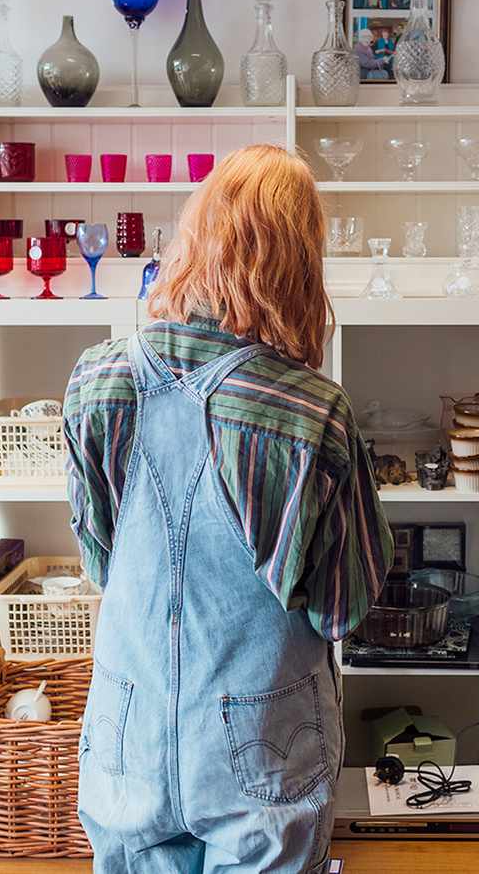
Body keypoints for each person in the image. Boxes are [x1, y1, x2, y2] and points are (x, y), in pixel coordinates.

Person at [65, 144, 394, 873]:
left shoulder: (95, 380)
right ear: (299, 262)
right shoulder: (312, 413)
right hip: (263, 744)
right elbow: (341, 611)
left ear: (197, 236)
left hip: (128, 733)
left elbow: (101, 564)